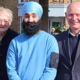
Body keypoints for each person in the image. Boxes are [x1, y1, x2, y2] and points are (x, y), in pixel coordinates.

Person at [6, 1, 59, 80]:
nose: (30, 20)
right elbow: (11, 70)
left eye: (34, 16)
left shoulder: (50, 40)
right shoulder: (15, 42)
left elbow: (51, 68)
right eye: (27, 16)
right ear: (23, 18)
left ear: (39, 17)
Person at [53, 2, 80, 80]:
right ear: (66, 16)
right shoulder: (56, 40)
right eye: (71, 15)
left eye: (78, 15)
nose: (74, 18)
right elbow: (52, 66)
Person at [0, 7, 19, 80]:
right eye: (0, 20)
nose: (2, 24)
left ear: (10, 22)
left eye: (5, 21)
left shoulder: (16, 38)